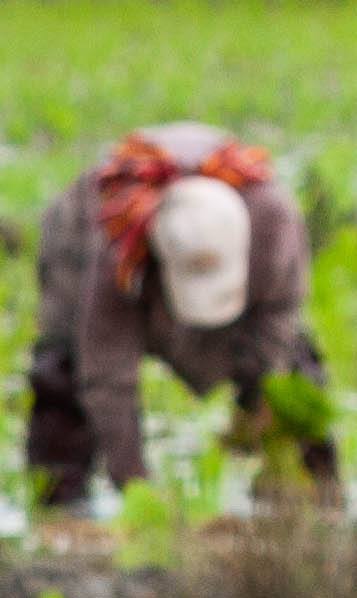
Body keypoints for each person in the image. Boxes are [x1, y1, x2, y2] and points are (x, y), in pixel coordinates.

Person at [26, 122, 340, 509]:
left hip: (243, 253)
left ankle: (317, 504)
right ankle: (59, 505)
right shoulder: (119, 245)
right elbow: (106, 374)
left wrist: (256, 404)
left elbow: (278, 315)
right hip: (85, 245)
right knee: (64, 370)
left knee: (293, 378)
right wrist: (137, 489)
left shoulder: (273, 223)